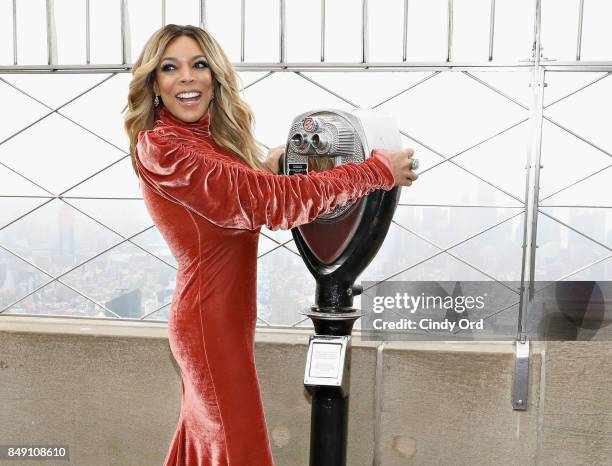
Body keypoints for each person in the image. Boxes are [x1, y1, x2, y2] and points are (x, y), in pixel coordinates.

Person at [123, 24, 417, 466]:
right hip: (209, 324)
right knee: (238, 448)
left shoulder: (201, 143)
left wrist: (270, 163)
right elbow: (267, 202)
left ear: (215, 77)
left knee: (209, 445)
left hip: (220, 318)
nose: (187, 77)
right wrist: (373, 171)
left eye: (199, 64)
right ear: (154, 84)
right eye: (170, 67)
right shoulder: (162, 146)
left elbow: (232, 191)